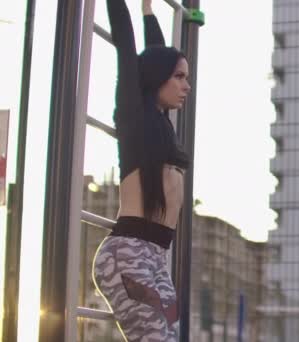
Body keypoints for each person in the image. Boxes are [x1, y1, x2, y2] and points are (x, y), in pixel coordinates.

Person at [92, 0, 192, 340]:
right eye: (179, 77)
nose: (186, 86)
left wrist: (149, 10)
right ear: (157, 77)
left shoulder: (162, 124)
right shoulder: (134, 117)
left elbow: (154, 51)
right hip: (128, 254)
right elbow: (127, 43)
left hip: (155, 259)